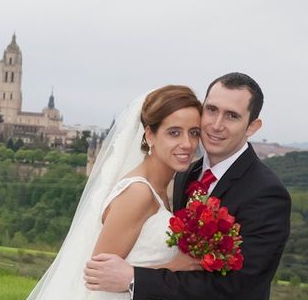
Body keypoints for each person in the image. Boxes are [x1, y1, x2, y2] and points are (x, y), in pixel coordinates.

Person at [83, 72, 292, 300]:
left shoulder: (267, 193)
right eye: (211, 110)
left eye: (232, 116)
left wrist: (136, 278)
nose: (216, 124)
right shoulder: (186, 175)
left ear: (252, 126)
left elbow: (239, 286)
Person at [27, 85, 204, 299]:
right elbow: (97, 277)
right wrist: (176, 266)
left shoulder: (161, 189)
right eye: (174, 133)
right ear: (150, 135)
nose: (187, 143)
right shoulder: (138, 192)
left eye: (194, 133)